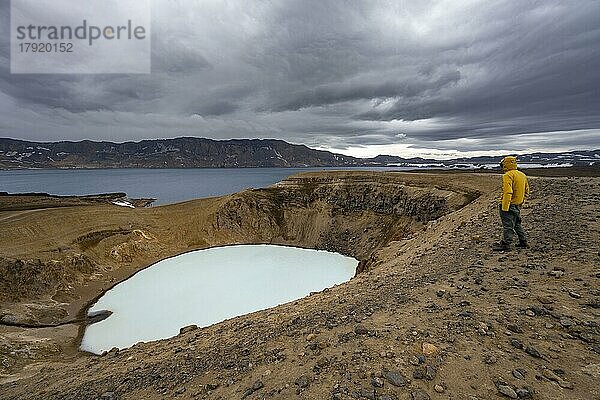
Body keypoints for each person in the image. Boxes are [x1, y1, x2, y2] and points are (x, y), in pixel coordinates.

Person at [492, 156, 530, 251]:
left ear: (505, 164)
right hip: (517, 204)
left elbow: (508, 192)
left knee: (508, 225)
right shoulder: (522, 175)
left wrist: (505, 206)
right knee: (517, 223)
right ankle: (523, 241)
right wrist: (520, 202)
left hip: (508, 204)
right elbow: (526, 191)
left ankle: (506, 244)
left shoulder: (507, 175)